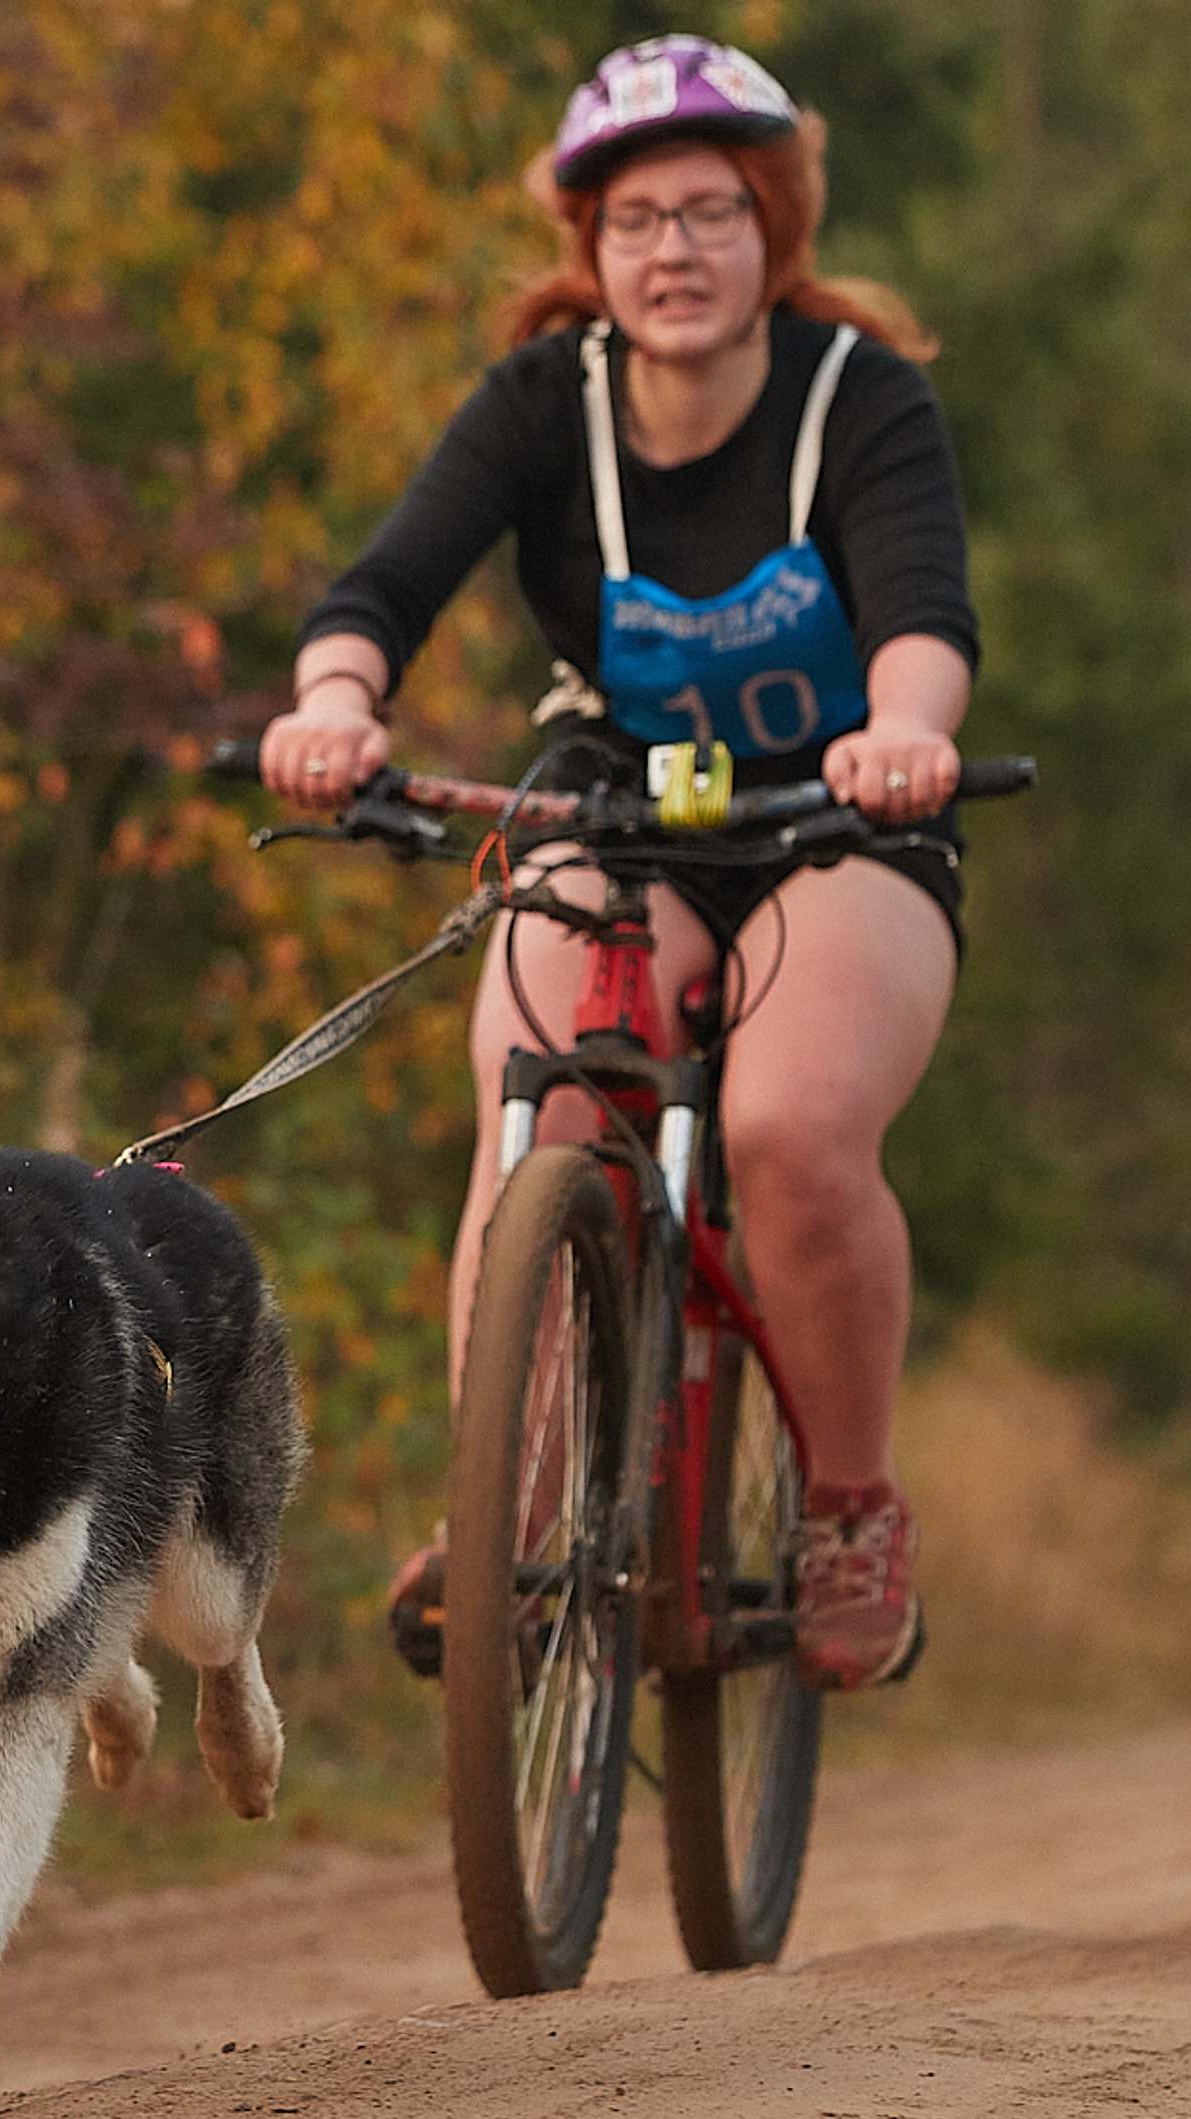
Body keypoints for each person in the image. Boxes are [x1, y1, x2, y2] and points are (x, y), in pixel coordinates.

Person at [260, 35, 977, 1690]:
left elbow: (926, 615)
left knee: (788, 1127)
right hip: (621, 801)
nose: (676, 250)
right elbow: (381, 590)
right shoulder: (539, 406)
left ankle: (849, 1507)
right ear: (590, 246)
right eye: (640, 217)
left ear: (772, 225)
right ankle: (505, 1504)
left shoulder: (858, 398)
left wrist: (906, 732)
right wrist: (334, 708)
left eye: (714, 212)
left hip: (842, 812)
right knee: (536, 1084)